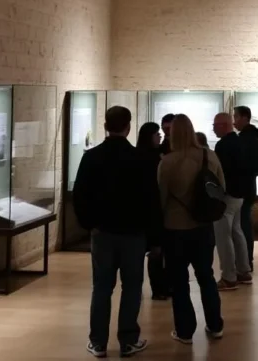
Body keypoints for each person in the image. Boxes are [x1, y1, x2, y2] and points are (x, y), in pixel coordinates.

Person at [72, 107, 160, 358]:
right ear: (128, 127)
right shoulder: (140, 158)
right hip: (133, 233)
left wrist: (89, 224)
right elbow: (151, 201)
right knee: (132, 287)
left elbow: (80, 195)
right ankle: (128, 340)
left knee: (101, 286)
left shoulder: (92, 157)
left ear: (105, 126)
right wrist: (154, 238)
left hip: (103, 232)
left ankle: (98, 341)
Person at [157, 114, 226, 344]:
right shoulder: (210, 156)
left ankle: (185, 330)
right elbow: (221, 189)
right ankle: (215, 324)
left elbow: (162, 198)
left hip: (175, 228)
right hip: (203, 226)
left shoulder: (167, 162)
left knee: (178, 281)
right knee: (206, 275)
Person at [211, 112, 253, 290]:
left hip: (227, 196)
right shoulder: (240, 142)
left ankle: (228, 276)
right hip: (240, 195)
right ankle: (243, 270)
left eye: (215, 125)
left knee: (223, 235)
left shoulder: (223, 145)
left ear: (223, 125)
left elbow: (222, 173)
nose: (213, 128)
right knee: (236, 231)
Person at [136, 122, 168, 301]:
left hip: (146, 209)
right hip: (151, 209)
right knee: (155, 252)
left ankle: (152, 287)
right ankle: (157, 288)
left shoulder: (149, 156)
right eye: (157, 134)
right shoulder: (153, 158)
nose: (160, 137)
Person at [233, 105, 258, 271]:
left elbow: (257, 167)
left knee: (243, 225)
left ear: (245, 118)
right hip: (244, 188)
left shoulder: (250, 140)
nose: (234, 121)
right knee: (241, 225)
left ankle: (246, 261)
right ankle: (243, 260)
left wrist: (240, 171)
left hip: (244, 190)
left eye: (236, 117)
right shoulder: (246, 138)